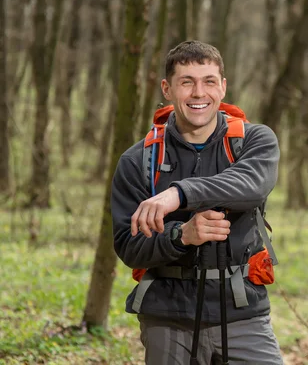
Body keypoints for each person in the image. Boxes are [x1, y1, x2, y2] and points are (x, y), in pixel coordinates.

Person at [111, 40, 283, 364]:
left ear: (223, 87)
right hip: (168, 316)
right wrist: (182, 236)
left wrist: (178, 193)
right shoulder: (140, 160)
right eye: (186, 82)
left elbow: (252, 185)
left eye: (209, 81)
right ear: (167, 88)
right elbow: (127, 245)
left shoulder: (254, 141)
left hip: (242, 312)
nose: (198, 93)